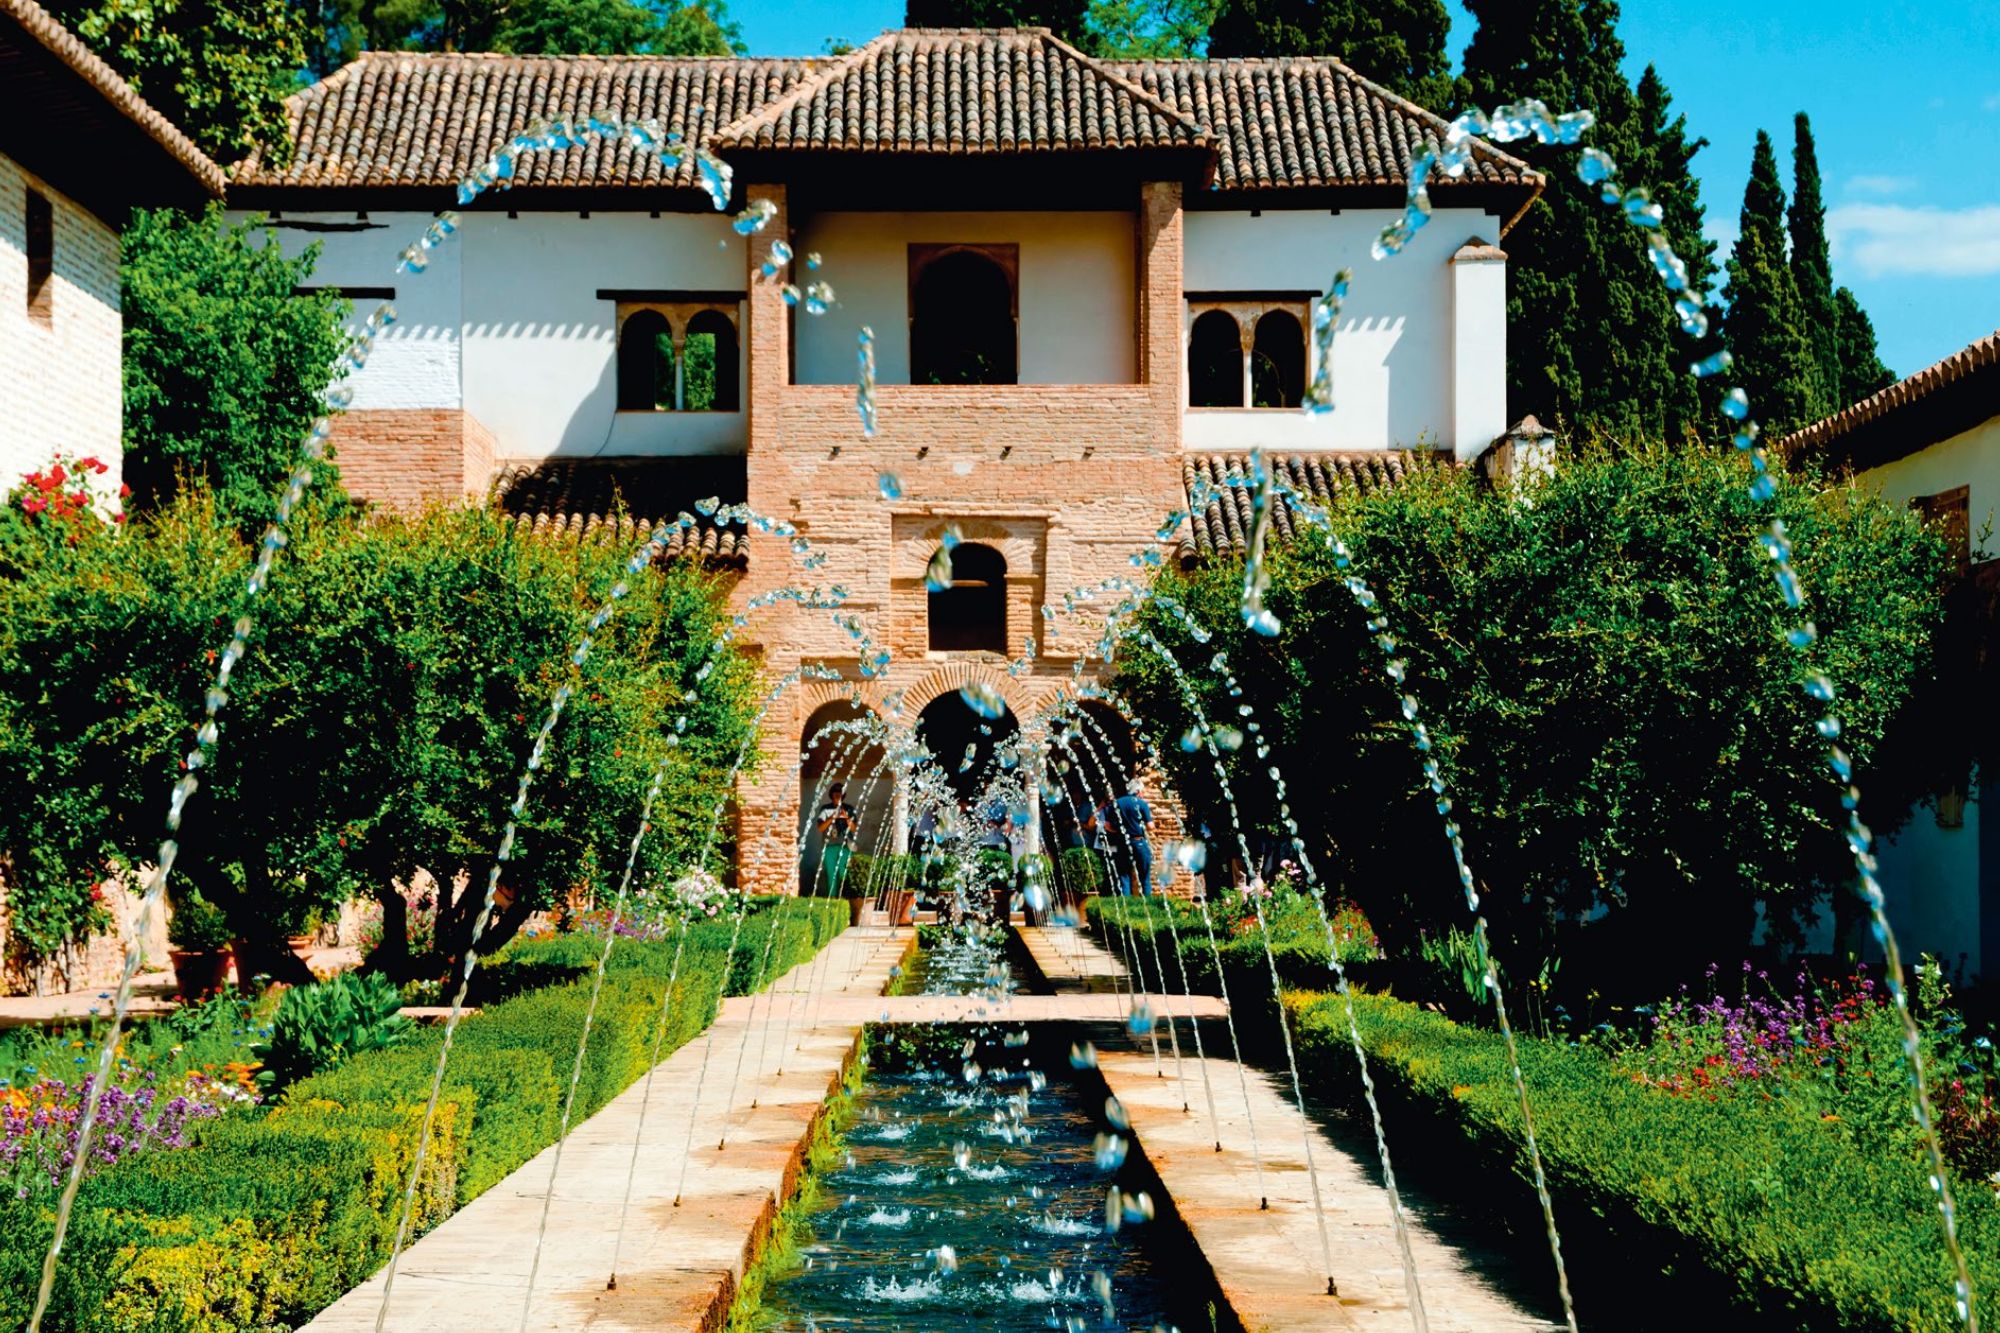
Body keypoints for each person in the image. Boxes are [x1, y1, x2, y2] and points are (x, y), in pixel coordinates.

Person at [1087, 781, 1155, 896]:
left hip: (1122, 843)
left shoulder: (1116, 803)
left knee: (1124, 877)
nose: (1142, 794)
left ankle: (1126, 906)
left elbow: (1107, 824)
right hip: (1138, 842)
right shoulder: (1141, 803)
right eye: (1142, 792)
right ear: (1138, 791)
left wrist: (1117, 830)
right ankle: (1148, 904)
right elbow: (1150, 826)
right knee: (1145, 877)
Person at [815, 781, 859, 897]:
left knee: (844, 874)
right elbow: (820, 827)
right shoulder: (825, 809)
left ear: (843, 796)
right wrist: (831, 818)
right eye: (835, 795)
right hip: (829, 847)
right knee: (831, 875)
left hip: (845, 847)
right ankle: (833, 900)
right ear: (832, 796)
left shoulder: (849, 809)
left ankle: (845, 898)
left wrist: (847, 818)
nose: (838, 798)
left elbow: (854, 829)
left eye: (840, 795)